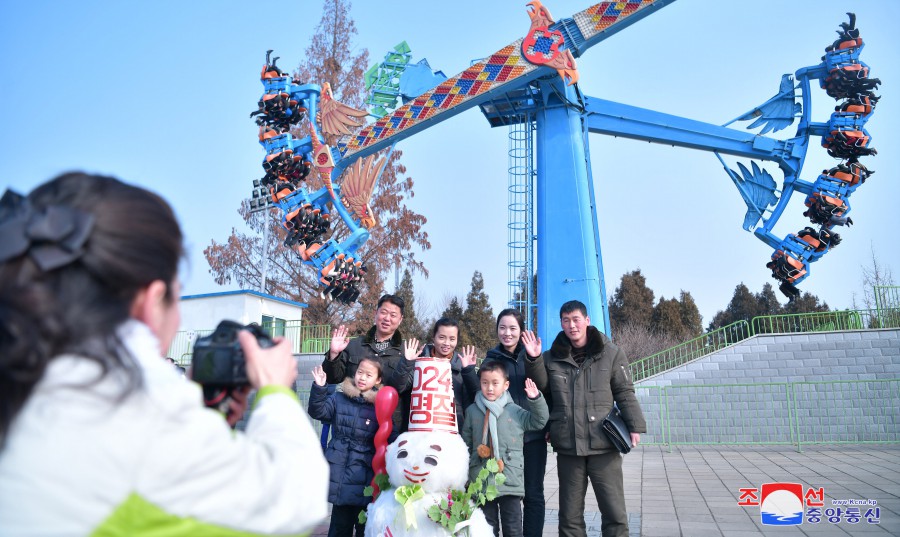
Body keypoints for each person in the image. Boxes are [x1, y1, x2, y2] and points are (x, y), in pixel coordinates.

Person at [0, 172, 328, 535]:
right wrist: (275, 392)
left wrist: (203, 425)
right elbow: (295, 504)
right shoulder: (136, 409)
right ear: (152, 300)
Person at [526, 300, 647, 537]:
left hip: (604, 444)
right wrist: (534, 359)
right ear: (561, 323)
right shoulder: (551, 357)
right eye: (566, 321)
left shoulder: (611, 353)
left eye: (576, 319)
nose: (572, 325)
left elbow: (624, 391)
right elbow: (543, 389)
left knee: (614, 513)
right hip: (569, 447)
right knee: (569, 517)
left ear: (587, 320)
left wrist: (634, 425)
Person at [461, 362, 549, 537]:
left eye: (495, 383)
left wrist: (536, 399)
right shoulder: (472, 411)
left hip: (509, 477)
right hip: (482, 478)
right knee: (487, 527)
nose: (490, 388)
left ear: (506, 385)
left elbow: (539, 421)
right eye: (485, 383)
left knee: (513, 527)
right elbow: (466, 444)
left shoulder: (515, 411)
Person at [481, 308, 547, 536]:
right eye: (502, 327)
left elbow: (545, 387)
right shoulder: (491, 359)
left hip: (532, 438)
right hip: (505, 441)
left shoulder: (532, 354)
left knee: (534, 494)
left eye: (512, 328)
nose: (507, 333)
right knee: (507, 495)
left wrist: (534, 358)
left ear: (521, 330)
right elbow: (482, 394)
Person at [308, 360, 383, 537]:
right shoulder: (338, 397)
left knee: (364, 527)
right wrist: (320, 388)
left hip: (364, 473)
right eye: (359, 372)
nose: (362, 377)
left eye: (368, 375)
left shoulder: (380, 405)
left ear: (378, 380)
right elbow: (318, 412)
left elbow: (389, 434)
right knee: (340, 526)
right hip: (340, 470)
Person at [324, 294, 414, 438]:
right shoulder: (354, 345)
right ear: (376, 313)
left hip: (389, 432)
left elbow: (402, 389)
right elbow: (332, 377)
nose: (387, 318)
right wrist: (334, 354)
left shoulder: (408, 353)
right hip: (352, 429)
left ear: (400, 319)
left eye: (393, 315)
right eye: (383, 312)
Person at [416, 317, 479, 431]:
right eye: (442, 337)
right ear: (433, 337)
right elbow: (401, 386)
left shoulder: (462, 365)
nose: (447, 343)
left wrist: (469, 371)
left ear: (457, 341)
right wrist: (407, 362)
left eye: (452, 339)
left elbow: (476, 397)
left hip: (452, 430)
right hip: (422, 428)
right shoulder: (420, 361)